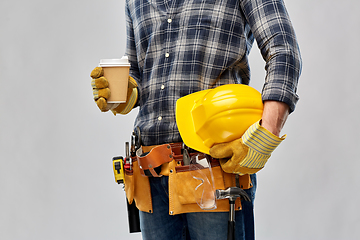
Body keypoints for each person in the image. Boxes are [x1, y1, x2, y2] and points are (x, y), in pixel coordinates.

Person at [91, 0, 301, 239]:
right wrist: (125, 92)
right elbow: (139, 71)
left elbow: (284, 50)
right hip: (150, 172)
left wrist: (266, 134)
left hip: (213, 169)